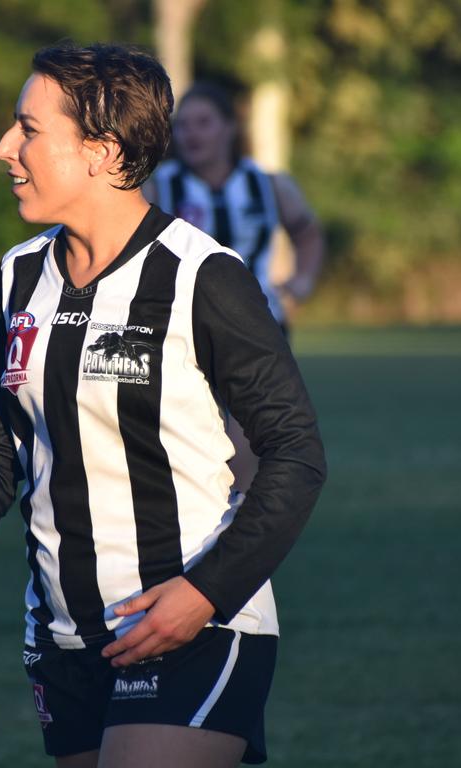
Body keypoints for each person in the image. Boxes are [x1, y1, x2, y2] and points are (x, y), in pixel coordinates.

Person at [0, 43, 325, 768]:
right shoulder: (16, 278)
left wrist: (204, 594)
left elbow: (296, 452)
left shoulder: (204, 278)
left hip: (198, 629)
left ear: (101, 152)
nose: (6, 148)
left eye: (28, 129)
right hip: (64, 640)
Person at [142, 81, 325, 492]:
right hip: (180, 325)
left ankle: (236, 534)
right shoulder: (159, 186)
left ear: (229, 128)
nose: (192, 133)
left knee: (248, 437)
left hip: (258, 323)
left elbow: (308, 232)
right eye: (184, 125)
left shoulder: (267, 184)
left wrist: (301, 282)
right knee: (184, 436)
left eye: (204, 122)